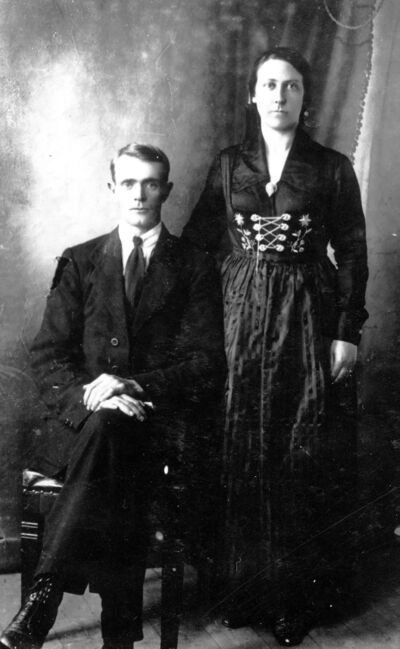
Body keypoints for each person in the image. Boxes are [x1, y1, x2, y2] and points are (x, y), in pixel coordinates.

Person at [0, 143, 226, 649]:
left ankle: (44, 597)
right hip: (81, 425)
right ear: (112, 189)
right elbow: (48, 357)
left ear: (166, 190)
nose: (139, 194)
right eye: (128, 183)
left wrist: (135, 386)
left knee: (116, 439)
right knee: (110, 435)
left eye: (150, 183)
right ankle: (119, 634)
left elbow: (206, 363)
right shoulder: (80, 260)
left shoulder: (194, 265)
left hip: (157, 426)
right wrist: (93, 397)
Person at [182, 47, 368, 646]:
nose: (280, 95)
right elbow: (199, 241)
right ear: (252, 95)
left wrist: (347, 330)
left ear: (304, 98)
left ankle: (295, 597)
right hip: (238, 314)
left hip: (307, 313)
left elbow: (353, 251)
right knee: (240, 441)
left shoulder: (332, 167)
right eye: (269, 84)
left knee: (298, 445)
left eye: (291, 86)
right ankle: (243, 589)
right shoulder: (229, 163)